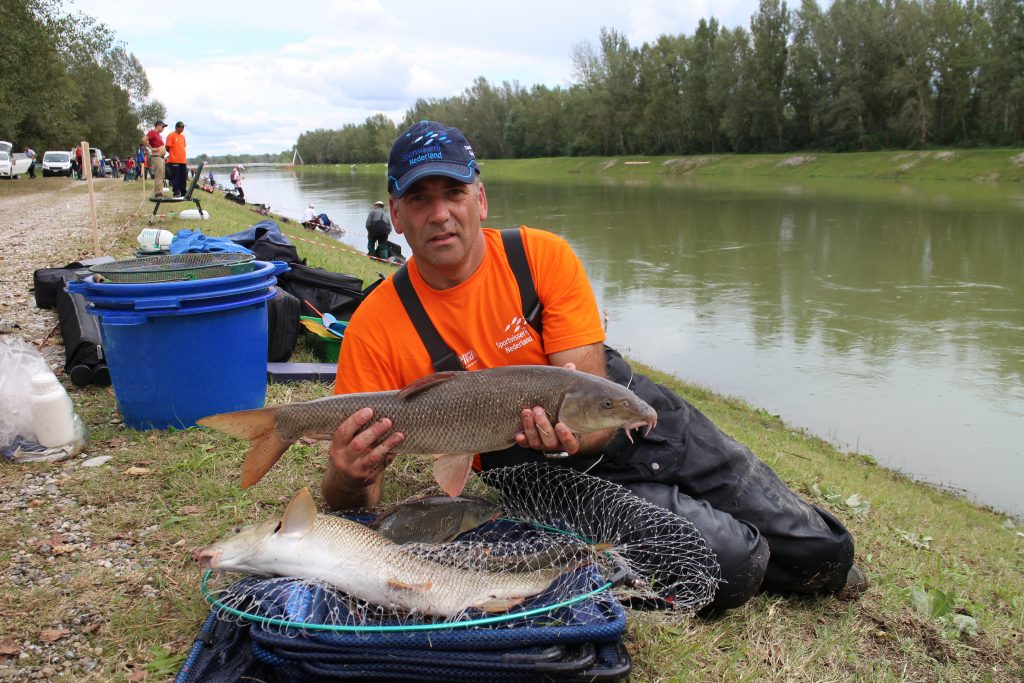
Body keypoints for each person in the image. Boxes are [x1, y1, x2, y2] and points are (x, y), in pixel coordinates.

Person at [324, 121, 865, 613]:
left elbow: (593, 397)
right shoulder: (376, 326)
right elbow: (356, 502)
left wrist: (571, 432)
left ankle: (782, 544)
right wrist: (349, 477)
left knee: (824, 553)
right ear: (394, 215)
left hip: (625, 414)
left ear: (480, 199)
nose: (440, 213)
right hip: (546, 473)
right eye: (419, 198)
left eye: (454, 193)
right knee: (733, 561)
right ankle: (720, 541)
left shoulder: (541, 257)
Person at [142, 120, 168, 196]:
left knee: (161, 175)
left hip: (161, 157)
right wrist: (151, 148)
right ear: (158, 126)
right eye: (163, 127)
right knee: (159, 175)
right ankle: (158, 193)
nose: (163, 128)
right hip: (157, 156)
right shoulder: (153, 132)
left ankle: (160, 192)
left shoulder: (158, 134)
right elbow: (144, 140)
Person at [165, 121, 188, 197]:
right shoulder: (171, 135)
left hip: (183, 160)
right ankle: (176, 192)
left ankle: (183, 192)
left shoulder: (183, 137)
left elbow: (183, 147)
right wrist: (173, 154)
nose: (183, 128)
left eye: (183, 127)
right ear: (177, 127)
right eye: (182, 127)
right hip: (174, 160)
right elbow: (167, 147)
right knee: (175, 177)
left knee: (183, 177)